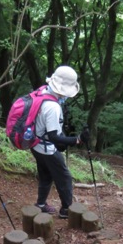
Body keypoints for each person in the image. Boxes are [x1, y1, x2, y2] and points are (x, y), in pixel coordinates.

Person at [30, 65, 89, 219]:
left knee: (46, 174)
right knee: (64, 177)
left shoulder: (42, 92)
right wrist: (77, 140)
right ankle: (66, 209)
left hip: (34, 144)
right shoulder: (53, 107)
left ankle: (41, 204)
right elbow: (54, 137)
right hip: (46, 148)